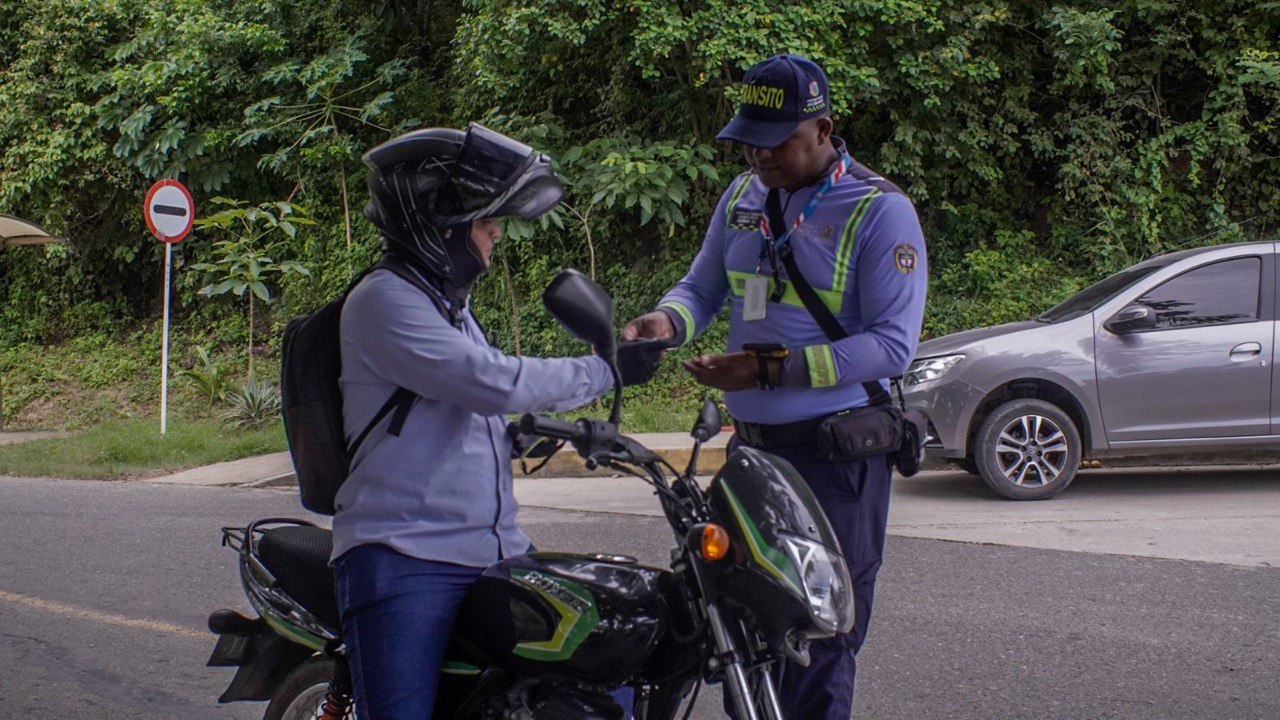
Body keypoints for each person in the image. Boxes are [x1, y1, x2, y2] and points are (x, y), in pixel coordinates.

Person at [622, 54, 928, 718]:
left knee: (816, 639)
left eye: (777, 140)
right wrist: (665, 323)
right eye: (750, 140)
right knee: (743, 633)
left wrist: (769, 369)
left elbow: (891, 347)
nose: (760, 155)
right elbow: (701, 288)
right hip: (754, 457)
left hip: (835, 460)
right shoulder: (741, 198)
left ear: (823, 127)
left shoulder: (878, 212)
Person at [333, 123, 663, 719]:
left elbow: (459, 406)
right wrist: (605, 371)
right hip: (406, 555)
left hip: (494, 549)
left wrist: (516, 437)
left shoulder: (449, 308)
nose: (494, 236)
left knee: (596, 665)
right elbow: (492, 382)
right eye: (486, 221)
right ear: (439, 226)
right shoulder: (384, 301)